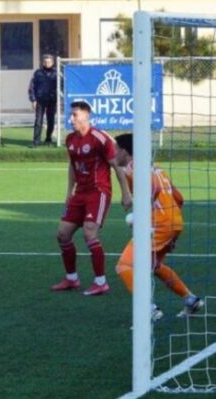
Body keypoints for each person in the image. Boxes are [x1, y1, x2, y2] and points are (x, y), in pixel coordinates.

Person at [113, 133, 203, 320]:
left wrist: (141, 220)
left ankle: (148, 309)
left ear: (125, 151)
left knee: (124, 266)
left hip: (159, 224)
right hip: (174, 221)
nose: (114, 153)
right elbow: (179, 198)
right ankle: (190, 300)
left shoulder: (131, 169)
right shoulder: (156, 168)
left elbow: (149, 194)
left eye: (116, 149)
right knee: (154, 265)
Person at [51, 101, 132, 296]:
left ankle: (101, 282)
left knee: (89, 233)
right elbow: (72, 166)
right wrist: (69, 193)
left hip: (98, 192)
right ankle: (72, 278)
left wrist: (126, 193)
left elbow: (117, 166)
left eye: (75, 115)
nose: (71, 118)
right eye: (70, 115)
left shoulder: (99, 138)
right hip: (80, 193)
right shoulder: (70, 139)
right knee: (62, 234)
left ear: (86, 116)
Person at [28, 54, 59, 147]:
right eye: (45, 62)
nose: (47, 63)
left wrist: (60, 99)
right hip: (40, 100)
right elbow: (32, 87)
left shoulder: (57, 73)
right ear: (43, 63)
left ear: (52, 62)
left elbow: (61, 86)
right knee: (38, 121)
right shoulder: (38, 73)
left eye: (49, 62)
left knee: (51, 120)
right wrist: (33, 100)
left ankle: (48, 139)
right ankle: (36, 141)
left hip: (52, 100)